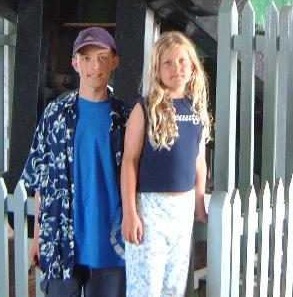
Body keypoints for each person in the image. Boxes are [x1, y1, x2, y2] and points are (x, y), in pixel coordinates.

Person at [22, 26, 129, 296]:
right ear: (75, 63)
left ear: (115, 62)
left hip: (111, 244)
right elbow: (42, 182)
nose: (95, 66)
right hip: (60, 240)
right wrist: (38, 237)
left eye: (103, 57)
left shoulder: (126, 118)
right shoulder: (54, 116)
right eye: (86, 58)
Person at [121, 31, 213, 297]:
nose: (176, 68)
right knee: (145, 289)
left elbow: (199, 162)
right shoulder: (144, 108)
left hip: (182, 212)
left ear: (193, 66)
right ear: (157, 69)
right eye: (168, 63)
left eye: (182, 61)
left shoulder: (197, 110)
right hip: (150, 211)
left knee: (173, 288)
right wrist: (130, 213)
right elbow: (129, 161)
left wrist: (199, 207)